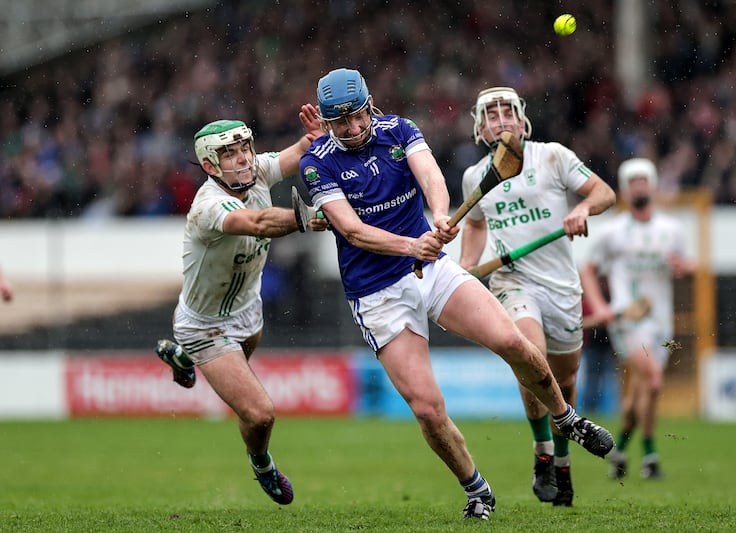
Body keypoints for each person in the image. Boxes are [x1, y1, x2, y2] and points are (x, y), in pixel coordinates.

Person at [299, 68, 614, 520]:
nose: (350, 129)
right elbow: (351, 229)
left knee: (512, 343)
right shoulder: (319, 162)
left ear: (370, 106)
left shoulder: (399, 129)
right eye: (339, 123)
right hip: (378, 293)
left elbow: (429, 175)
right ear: (328, 124)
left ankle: (566, 420)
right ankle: (477, 490)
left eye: (356, 117)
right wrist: (412, 244)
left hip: (432, 269)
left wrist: (441, 217)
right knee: (428, 409)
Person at [154, 111, 329, 505]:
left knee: (247, 395)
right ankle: (262, 464)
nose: (244, 158)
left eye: (245, 148)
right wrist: (308, 217)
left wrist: (317, 138)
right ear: (210, 165)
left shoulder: (258, 171)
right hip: (205, 326)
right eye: (230, 154)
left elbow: (300, 151)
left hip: (249, 309)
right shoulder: (208, 207)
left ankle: (183, 360)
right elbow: (259, 222)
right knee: (260, 413)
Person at [457, 87, 617, 507]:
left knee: (564, 380)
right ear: (480, 126)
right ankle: (542, 450)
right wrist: (465, 269)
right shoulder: (476, 176)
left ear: (521, 118)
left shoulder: (553, 156)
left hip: (561, 286)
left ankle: (561, 463)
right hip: (512, 280)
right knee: (531, 355)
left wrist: (582, 210)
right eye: (491, 114)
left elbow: (604, 193)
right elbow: (474, 225)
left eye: (507, 111)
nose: (500, 119)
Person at [580, 157, 695, 480]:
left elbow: (690, 268)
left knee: (638, 394)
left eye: (644, 180)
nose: (639, 186)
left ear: (653, 185)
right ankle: (650, 455)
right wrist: (600, 305)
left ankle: (619, 454)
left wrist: (682, 269)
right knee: (654, 380)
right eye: (633, 182)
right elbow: (588, 270)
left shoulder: (671, 230)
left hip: (660, 321)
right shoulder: (613, 232)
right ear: (624, 189)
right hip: (627, 320)